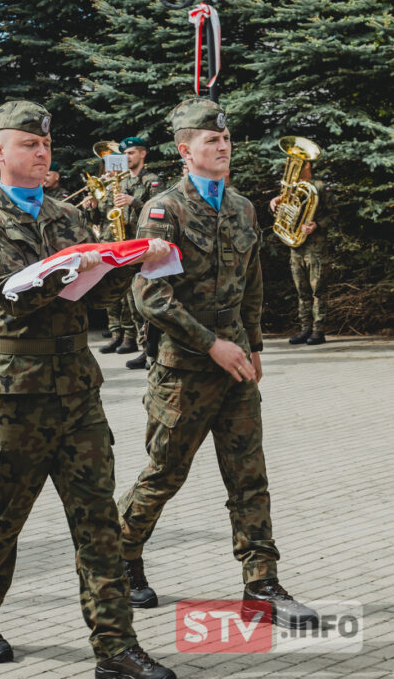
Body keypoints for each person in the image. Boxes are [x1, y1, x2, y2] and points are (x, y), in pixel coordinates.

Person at [0, 101, 175, 678]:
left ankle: (115, 648)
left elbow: (97, 297)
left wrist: (128, 260)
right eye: (28, 144)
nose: (41, 151)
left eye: (45, 144)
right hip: (11, 396)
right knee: (1, 521)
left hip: (76, 391)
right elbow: (12, 294)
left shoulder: (66, 217)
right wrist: (73, 265)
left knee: (98, 521)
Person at [119, 98, 318, 631]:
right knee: (164, 474)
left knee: (249, 476)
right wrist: (212, 344)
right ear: (185, 151)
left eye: (226, 139)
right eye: (211, 141)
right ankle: (120, 554)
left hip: (235, 366)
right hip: (184, 369)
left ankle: (262, 585)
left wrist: (253, 344)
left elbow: (252, 283)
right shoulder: (164, 210)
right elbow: (151, 296)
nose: (223, 146)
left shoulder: (243, 207)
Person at [269, 159, 333, 345]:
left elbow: (334, 214)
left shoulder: (320, 187)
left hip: (316, 248)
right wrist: (275, 203)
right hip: (297, 247)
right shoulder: (292, 188)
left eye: (298, 164)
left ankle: (318, 331)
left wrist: (317, 225)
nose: (292, 168)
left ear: (307, 165)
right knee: (302, 290)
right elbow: (284, 212)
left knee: (318, 291)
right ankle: (305, 328)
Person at [116, 137, 163, 369]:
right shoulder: (121, 182)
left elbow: (158, 208)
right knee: (131, 300)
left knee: (146, 298)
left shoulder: (152, 180)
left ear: (143, 154)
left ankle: (154, 349)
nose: (127, 157)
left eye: (132, 153)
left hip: (144, 245)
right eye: (124, 154)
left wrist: (134, 201)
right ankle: (142, 346)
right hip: (125, 245)